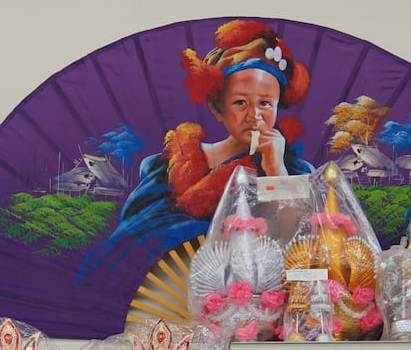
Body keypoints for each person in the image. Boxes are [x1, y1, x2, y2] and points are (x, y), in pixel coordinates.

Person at [78, 20, 313, 280]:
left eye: (266, 103)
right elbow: (133, 241)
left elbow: (303, 242)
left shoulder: (292, 169)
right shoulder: (167, 167)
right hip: (168, 294)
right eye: (240, 102)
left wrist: (275, 170)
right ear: (218, 109)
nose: (254, 115)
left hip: (258, 292)